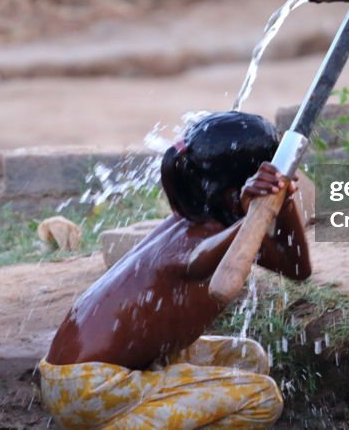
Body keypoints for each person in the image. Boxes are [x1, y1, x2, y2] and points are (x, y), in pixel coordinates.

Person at [40, 111, 312, 429]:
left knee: (247, 357)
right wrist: (250, 216)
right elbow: (196, 259)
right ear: (239, 187)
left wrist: (282, 202)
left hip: (99, 375)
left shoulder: (207, 218)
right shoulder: (199, 238)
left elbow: (297, 268)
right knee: (263, 397)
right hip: (91, 388)